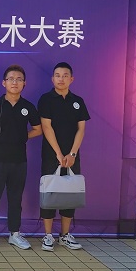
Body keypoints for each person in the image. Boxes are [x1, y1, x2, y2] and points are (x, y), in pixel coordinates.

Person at [0, 65, 42, 250]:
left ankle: (15, 233)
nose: (15, 82)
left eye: (19, 79)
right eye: (11, 79)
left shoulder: (28, 107)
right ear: (3, 83)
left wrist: (22, 137)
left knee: (16, 198)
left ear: (24, 83)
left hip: (19, 161)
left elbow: (38, 129)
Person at [38, 62, 90, 252]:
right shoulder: (46, 99)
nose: (61, 79)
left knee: (69, 193)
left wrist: (72, 153)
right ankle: (48, 235)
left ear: (71, 79)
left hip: (72, 156)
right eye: (58, 75)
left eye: (65, 75)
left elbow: (81, 129)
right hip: (51, 155)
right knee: (50, 193)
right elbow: (46, 127)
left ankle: (65, 235)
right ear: (52, 79)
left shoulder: (78, 101)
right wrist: (59, 153)